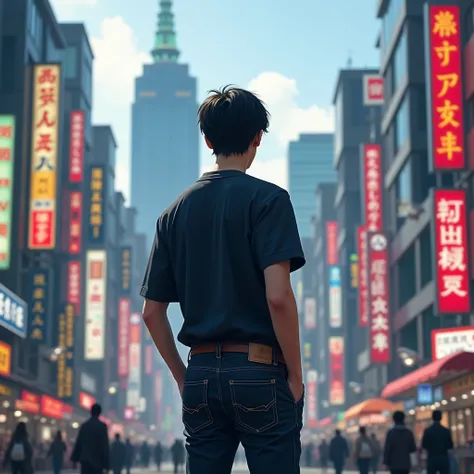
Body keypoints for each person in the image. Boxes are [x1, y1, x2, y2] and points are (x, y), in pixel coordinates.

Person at [140, 85, 305, 474]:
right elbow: (278, 297)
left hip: (199, 374)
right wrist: (295, 374)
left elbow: (151, 313)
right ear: (257, 138)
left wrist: (184, 378)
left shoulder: (172, 214)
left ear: (208, 139)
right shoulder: (269, 200)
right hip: (259, 371)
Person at [71, 403, 110, 474]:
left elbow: (79, 443)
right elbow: (105, 446)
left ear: (91, 412)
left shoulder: (85, 426)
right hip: (98, 461)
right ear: (100, 413)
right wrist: (107, 465)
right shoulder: (102, 426)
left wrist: (74, 460)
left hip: (85, 461)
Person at [421, 409, 453, 474]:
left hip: (432, 458)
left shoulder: (428, 431)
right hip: (443, 458)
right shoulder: (446, 431)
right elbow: (450, 445)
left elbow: (424, 445)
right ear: (441, 418)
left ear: (432, 418)